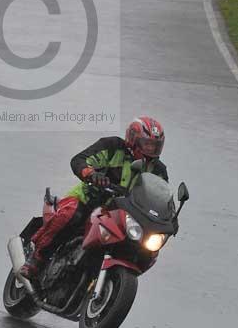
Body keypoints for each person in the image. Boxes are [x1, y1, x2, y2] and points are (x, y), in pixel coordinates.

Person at [20, 117, 167, 279]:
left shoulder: (158, 170)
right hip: (89, 200)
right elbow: (79, 160)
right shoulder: (112, 147)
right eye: (147, 144)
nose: (151, 150)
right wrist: (92, 174)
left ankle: (110, 279)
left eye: (156, 146)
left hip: (122, 215)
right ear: (133, 140)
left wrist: (169, 218)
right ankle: (37, 258)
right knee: (70, 214)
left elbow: (161, 196)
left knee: (148, 248)